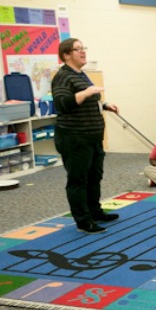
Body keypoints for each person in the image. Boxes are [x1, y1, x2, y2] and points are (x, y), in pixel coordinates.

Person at [52, 38, 120, 234]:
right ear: (66, 54)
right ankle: (83, 221)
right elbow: (63, 104)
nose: (83, 52)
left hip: (92, 136)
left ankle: (95, 211)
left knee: (94, 176)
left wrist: (105, 105)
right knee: (78, 180)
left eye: (84, 48)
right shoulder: (63, 76)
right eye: (78, 49)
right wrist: (86, 92)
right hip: (74, 137)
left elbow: (89, 100)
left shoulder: (81, 75)